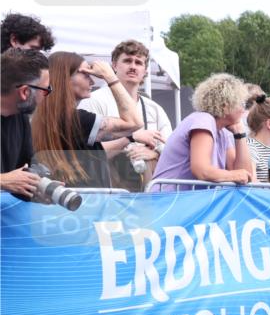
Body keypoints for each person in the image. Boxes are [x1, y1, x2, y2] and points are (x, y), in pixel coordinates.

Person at [31, 52, 142, 188]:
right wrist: (110, 77)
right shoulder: (75, 119)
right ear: (65, 78)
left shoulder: (47, 115)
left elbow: (95, 154)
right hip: (85, 203)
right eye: (86, 75)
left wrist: (130, 138)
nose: (92, 81)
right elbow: (135, 122)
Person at [79, 40, 172, 190]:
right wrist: (126, 143)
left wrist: (154, 154)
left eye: (139, 62)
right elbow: (83, 154)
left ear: (145, 71)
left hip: (147, 195)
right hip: (106, 191)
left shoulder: (155, 110)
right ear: (114, 65)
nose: (133, 66)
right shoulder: (93, 101)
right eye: (127, 61)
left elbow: (172, 151)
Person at [151, 73, 255, 190]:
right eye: (241, 104)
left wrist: (240, 134)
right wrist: (234, 175)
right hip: (168, 201)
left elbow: (245, 175)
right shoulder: (203, 120)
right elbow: (201, 170)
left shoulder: (222, 132)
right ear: (225, 106)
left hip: (186, 202)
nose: (243, 110)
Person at [1, 49, 49, 198]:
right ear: (25, 92)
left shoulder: (20, 117)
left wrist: (39, 185)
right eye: (46, 90)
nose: (47, 96)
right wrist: (2, 180)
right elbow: (9, 180)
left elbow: (25, 165)